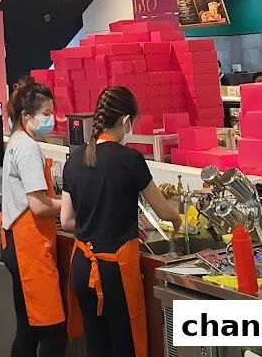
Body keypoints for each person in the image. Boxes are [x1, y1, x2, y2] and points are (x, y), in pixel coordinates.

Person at [61, 87, 180, 357]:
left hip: (82, 267)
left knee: (98, 347)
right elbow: (163, 211)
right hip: (114, 272)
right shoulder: (131, 160)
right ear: (126, 121)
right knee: (124, 347)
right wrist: (177, 218)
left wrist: (109, 221)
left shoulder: (76, 157)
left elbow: (67, 220)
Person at [1, 79, 66, 357]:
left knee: (27, 329)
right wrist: (73, 206)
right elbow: (38, 206)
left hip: (18, 242)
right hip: (30, 250)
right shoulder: (27, 148)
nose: (50, 119)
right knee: (52, 331)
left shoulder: (16, 140)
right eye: (46, 114)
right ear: (26, 116)